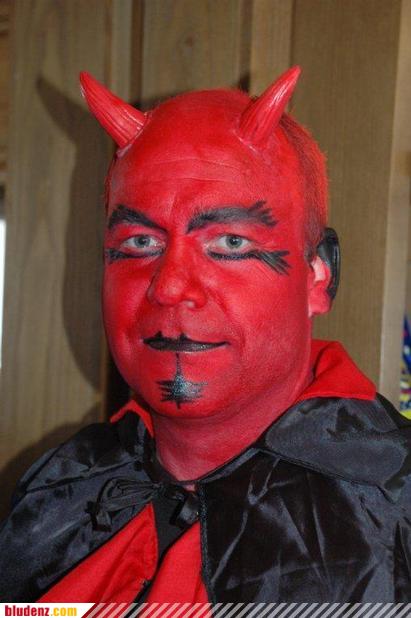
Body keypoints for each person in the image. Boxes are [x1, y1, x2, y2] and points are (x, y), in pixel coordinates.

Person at [0, 67, 410, 603]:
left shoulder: (396, 511)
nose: (170, 287)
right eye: (140, 242)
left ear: (319, 275)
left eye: (231, 243)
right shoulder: (57, 490)